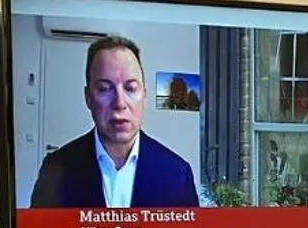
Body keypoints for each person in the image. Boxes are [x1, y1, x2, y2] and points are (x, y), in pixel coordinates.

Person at [28, 35, 200, 208]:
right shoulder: (56, 170)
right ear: (88, 98)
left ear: (145, 95)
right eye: (104, 89)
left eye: (130, 88)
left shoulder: (177, 174)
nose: (119, 103)